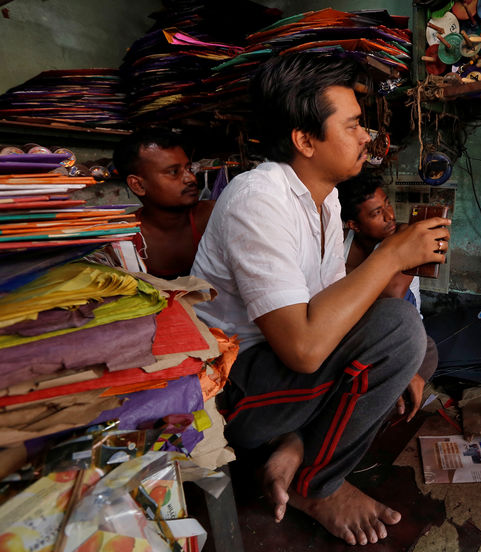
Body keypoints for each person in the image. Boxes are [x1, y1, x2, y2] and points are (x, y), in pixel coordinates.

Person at [191, 52, 450, 546]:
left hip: (283, 378)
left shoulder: (327, 199)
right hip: (231, 387)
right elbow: (304, 350)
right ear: (305, 140)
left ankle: (292, 444)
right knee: (398, 334)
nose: (364, 137)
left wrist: (400, 273)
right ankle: (318, 485)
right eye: (352, 125)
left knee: (417, 346)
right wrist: (390, 254)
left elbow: (337, 307)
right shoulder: (257, 199)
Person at [338, 172, 439, 422]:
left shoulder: (403, 235)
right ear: (354, 225)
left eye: (388, 206)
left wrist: (347, 284)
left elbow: (391, 295)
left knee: (424, 351)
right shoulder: (338, 245)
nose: (390, 217)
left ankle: (395, 384)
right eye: (376, 213)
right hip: (355, 333)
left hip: (400, 332)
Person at [113, 129, 214, 279]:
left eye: (189, 168)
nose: (191, 178)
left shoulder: (213, 216)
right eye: (174, 172)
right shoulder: (120, 236)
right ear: (138, 185)